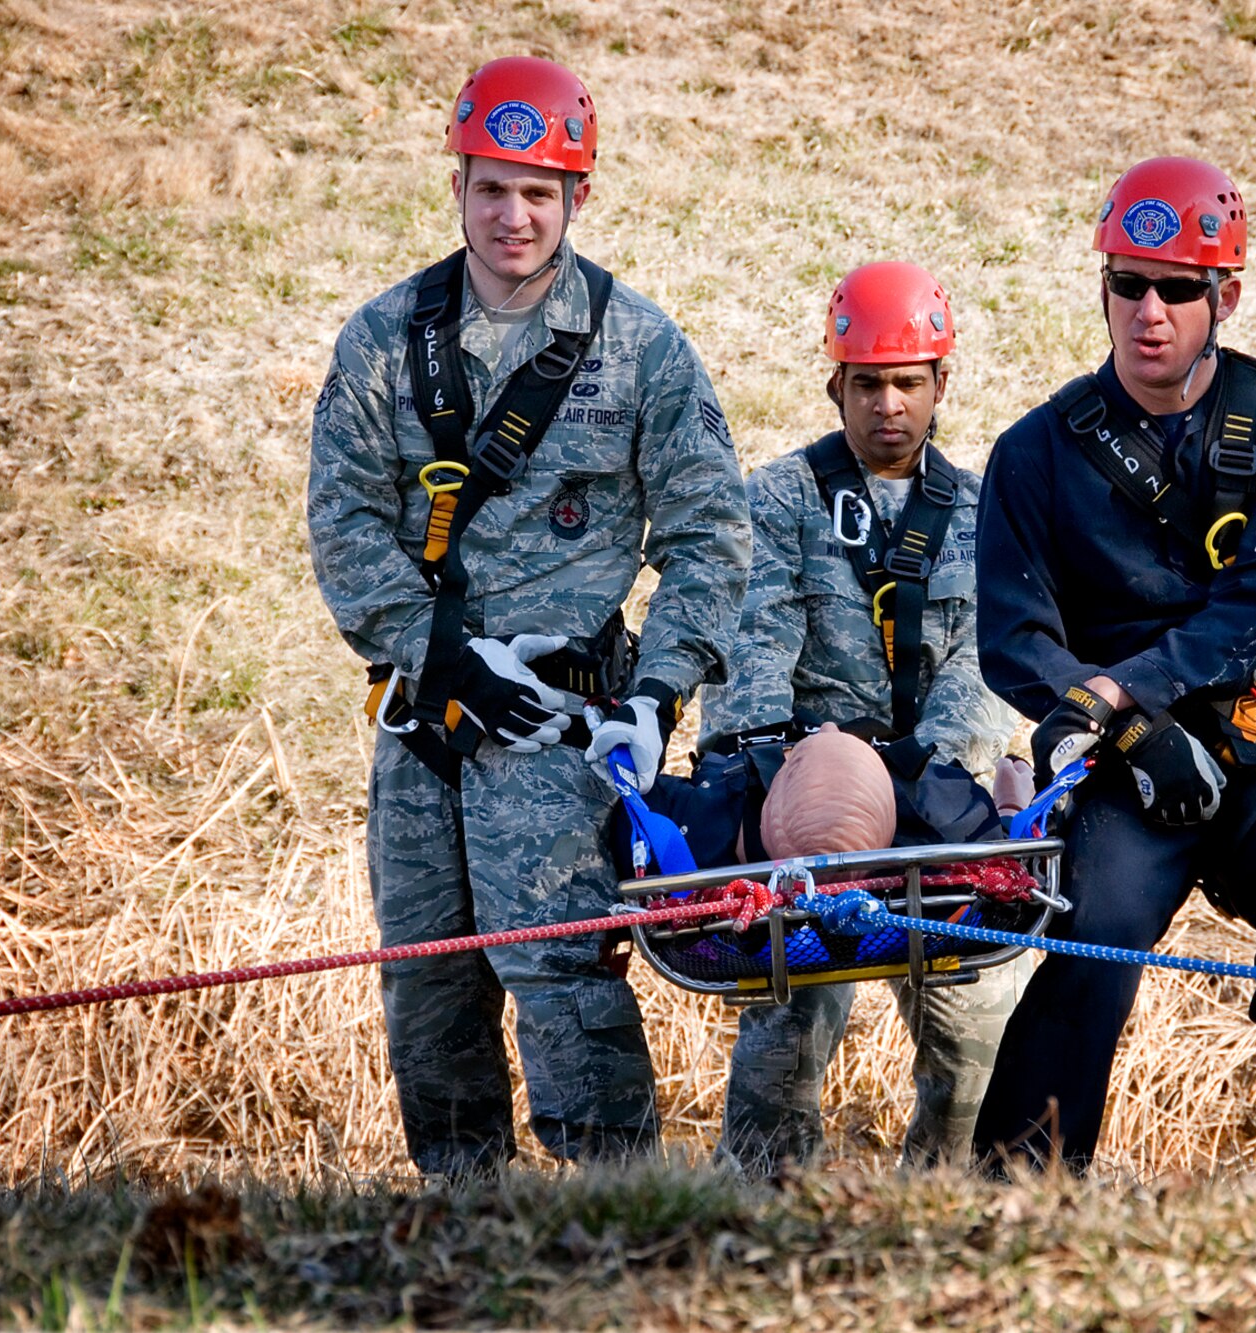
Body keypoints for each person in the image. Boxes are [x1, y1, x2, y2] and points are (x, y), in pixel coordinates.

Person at [306, 56, 749, 1174]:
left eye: (539, 193)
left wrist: (658, 695)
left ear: (578, 200)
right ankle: (462, 1216)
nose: (513, 215)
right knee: (426, 975)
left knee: (560, 971)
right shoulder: (381, 341)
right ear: (455, 183)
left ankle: (612, 1205)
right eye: (493, 187)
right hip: (429, 724)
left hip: (566, 727)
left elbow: (709, 537)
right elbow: (347, 527)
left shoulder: (642, 346)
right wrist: (435, 657)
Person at [970, 157, 1256, 1174]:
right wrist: (1122, 721)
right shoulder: (1034, 455)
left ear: (1225, 298)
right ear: (1102, 286)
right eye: (1126, 283)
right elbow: (1014, 639)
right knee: (1092, 941)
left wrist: (1130, 686)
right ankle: (1011, 1192)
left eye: (1174, 289)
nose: (1147, 311)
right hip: (1122, 758)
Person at [694, 262, 1024, 1172]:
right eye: (869, 382)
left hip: (934, 798)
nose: (889, 404)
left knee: (977, 1029)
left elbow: (993, 655)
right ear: (835, 383)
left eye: (909, 382)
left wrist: (927, 767)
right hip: (811, 804)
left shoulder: (983, 513)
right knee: (785, 1031)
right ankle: (758, 1203)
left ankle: (945, 1201)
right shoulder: (779, 500)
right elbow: (754, 645)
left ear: (941, 385)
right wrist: (783, 774)